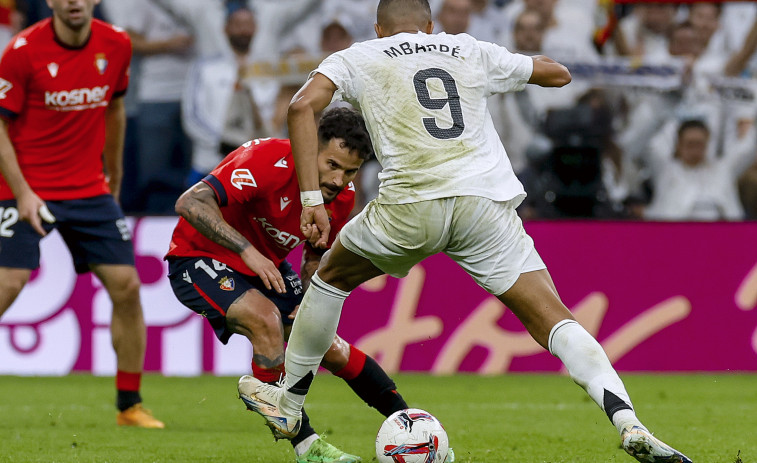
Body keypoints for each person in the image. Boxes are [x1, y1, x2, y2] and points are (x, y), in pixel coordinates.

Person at [240, 1, 693, 462]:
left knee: (329, 280)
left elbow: (301, 106)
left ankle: (290, 404)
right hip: (484, 205)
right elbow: (557, 74)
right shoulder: (466, 49)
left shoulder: (359, 56)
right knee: (555, 319)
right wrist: (523, 67)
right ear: (431, 26)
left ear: (379, 29)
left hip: (410, 205)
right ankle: (627, 421)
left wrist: (313, 199)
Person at [166, 107, 417, 463]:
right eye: (332, 164)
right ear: (310, 146)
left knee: (326, 343)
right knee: (266, 320)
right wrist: (248, 252)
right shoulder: (267, 159)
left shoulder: (340, 198)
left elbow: (315, 254)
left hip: (264, 268)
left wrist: (309, 294)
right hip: (197, 255)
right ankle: (308, 446)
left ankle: (410, 423)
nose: (338, 180)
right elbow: (190, 202)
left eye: (350, 171)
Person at [0, 0, 163, 428]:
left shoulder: (118, 44)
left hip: (87, 187)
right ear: (51, 2)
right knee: (8, 283)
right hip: (23, 186)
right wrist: (22, 192)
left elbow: (114, 108)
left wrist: (115, 174)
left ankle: (130, 405)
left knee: (126, 286)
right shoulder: (21, 50)